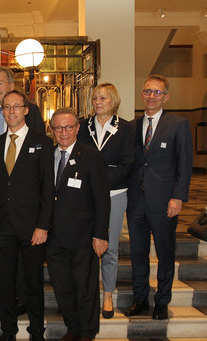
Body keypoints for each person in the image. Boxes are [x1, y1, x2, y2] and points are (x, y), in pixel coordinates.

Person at [0, 90, 54, 341]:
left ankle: (37, 333)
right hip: (2, 226)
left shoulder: (43, 143)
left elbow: (48, 190)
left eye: (16, 107)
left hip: (32, 228)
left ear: (26, 110)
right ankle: (8, 332)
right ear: (2, 112)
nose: (11, 111)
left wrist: (43, 226)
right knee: (6, 284)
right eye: (7, 107)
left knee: (34, 284)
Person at [126, 74, 193, 320]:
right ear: (142, 94)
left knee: (165, 253)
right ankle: (140, 298)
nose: (151, 96)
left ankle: (162, 301)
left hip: (165, 202)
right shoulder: (132, 126)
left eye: (157, 92)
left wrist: (178, 197)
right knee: (137, 252)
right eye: (147, 91)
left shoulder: (178, 124)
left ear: (166, 96)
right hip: (136, 203)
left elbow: (185, 165)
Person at [47, 107, 110, 341]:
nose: (63, 132)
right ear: (52, 131)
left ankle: (87, 334)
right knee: (63, 288)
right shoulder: (48, 156)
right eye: (58, 128)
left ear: (77, 128)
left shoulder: (91, 156)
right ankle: (72, 329)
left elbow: (102, 200)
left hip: (84, 236)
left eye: (68, 127)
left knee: (85, 288)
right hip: (54, 238)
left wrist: (101, 234)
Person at [0, 67, 45, 315]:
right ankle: (11, 291)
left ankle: (22, 298)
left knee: (26, 260)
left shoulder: (33, 112)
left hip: (25, 200)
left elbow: (40, 151)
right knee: (3, 252)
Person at [77, 83, 135, 319]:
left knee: (109, 247)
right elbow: (78, 158)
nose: (98, 102)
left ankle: (108, 294)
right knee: (87, 247)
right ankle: (87, 294)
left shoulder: (127, 128)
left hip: (115, 194)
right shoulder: (82, 126)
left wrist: (98, 178)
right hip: (86, 196)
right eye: (95, 98)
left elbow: (127, 164)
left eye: (103, 98)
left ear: (114, 101)